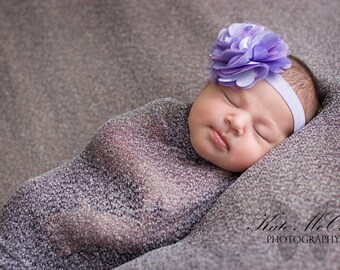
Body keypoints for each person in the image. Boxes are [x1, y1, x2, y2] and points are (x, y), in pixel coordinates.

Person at [0, 22, 322, 269]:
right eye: (229, 99)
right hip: (34, 210)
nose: (236, 123)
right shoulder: (164, 114)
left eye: (260, 132)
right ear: (206, 85)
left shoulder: (234, 190)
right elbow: (112, 141)